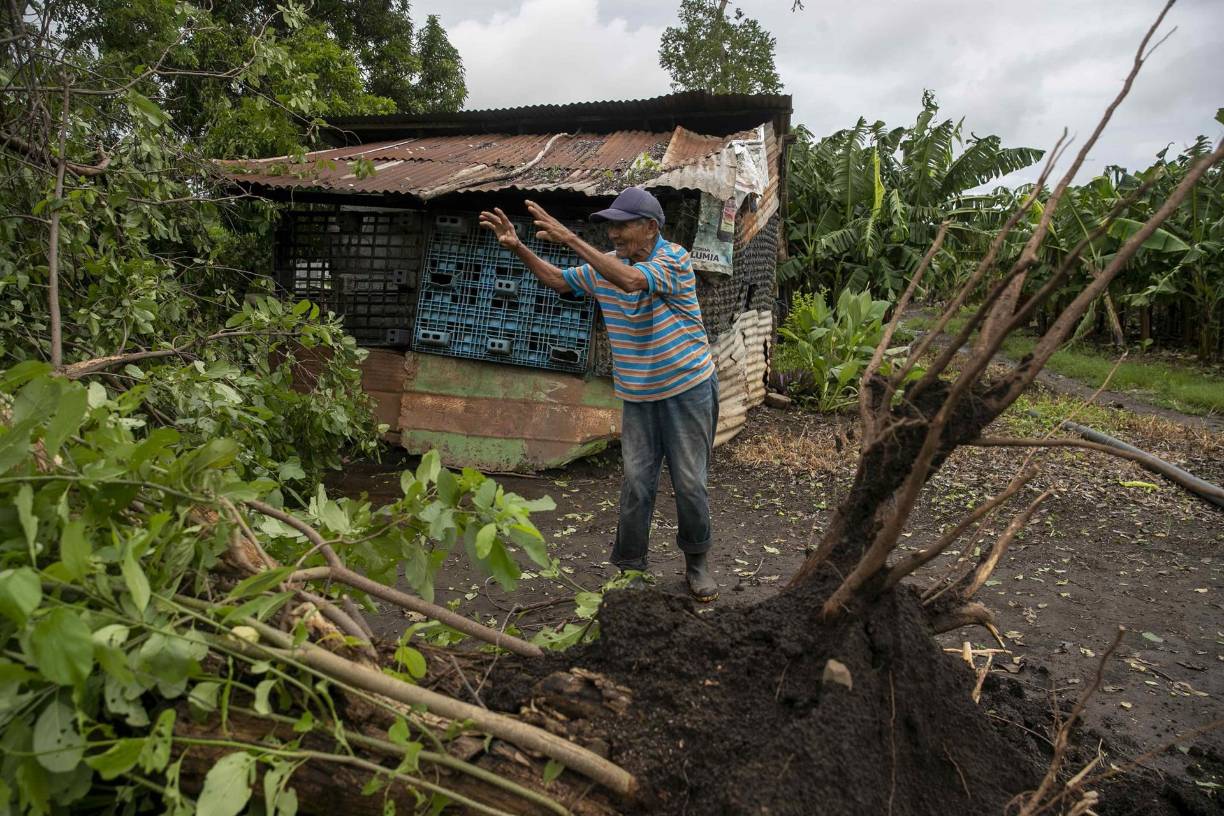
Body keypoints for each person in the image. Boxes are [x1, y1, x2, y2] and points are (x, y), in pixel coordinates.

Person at [479, 188, 720, 601]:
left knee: (690, 482)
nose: (613, 234)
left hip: (687, 389)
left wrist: (569, 238)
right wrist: (518, 247)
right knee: (636, 483)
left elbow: (630, 282)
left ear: (650, 228)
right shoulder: (606, 267)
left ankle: (696, 563)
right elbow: (558, 280)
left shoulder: (674, 260)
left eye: (622, 225)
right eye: (609, 226)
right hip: (639, 396)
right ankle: (631, 570)